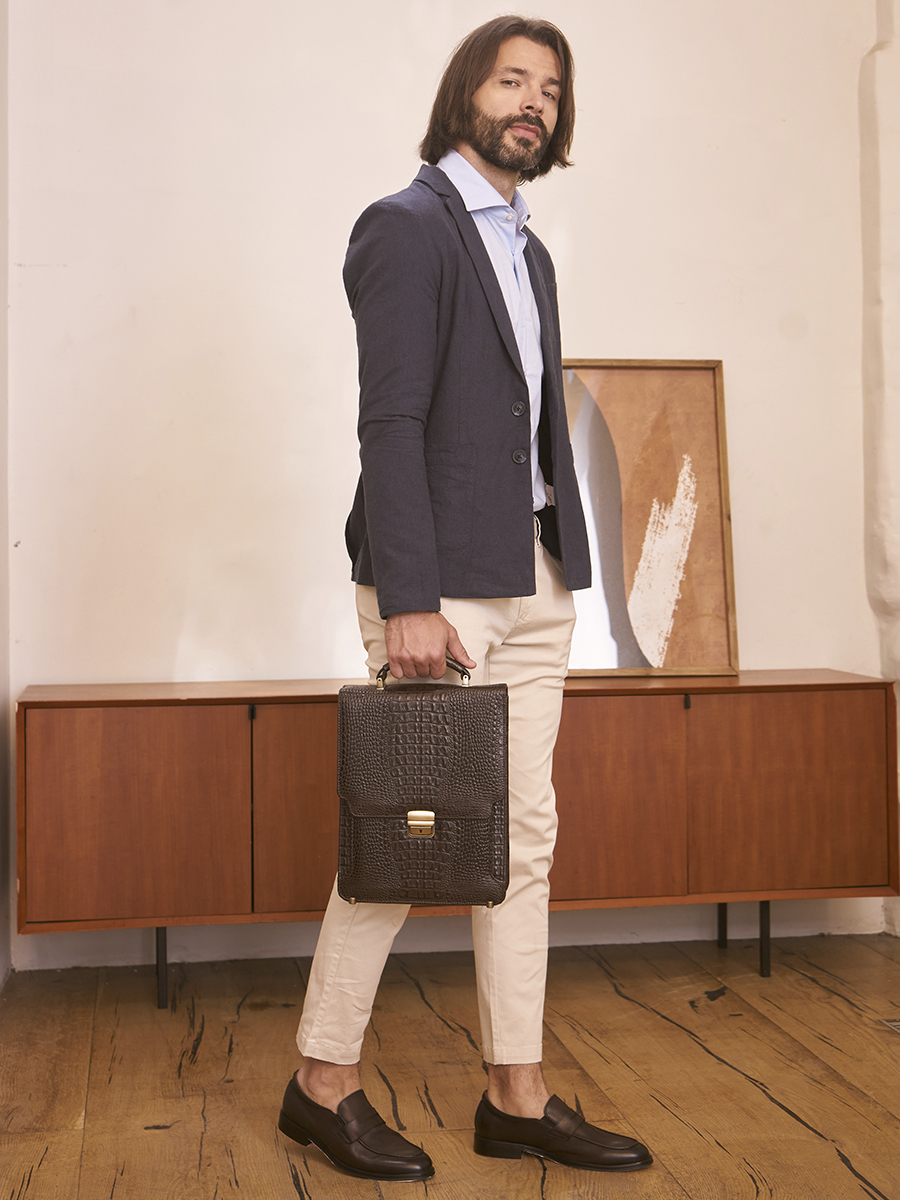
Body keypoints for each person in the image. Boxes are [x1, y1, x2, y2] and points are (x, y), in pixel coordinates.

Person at [277, 15, 653, 1181]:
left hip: (534, 577)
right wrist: (410, 595)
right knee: (407, 838)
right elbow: (389, 421)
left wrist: (566, 571)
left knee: (522, 842)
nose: (533, 102)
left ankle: (516, 1094)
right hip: (439, 588)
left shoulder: (529, 253)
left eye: (551, 89)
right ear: (464, 97)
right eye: (511, 81)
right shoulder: (405, 226)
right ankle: (321, 1081)